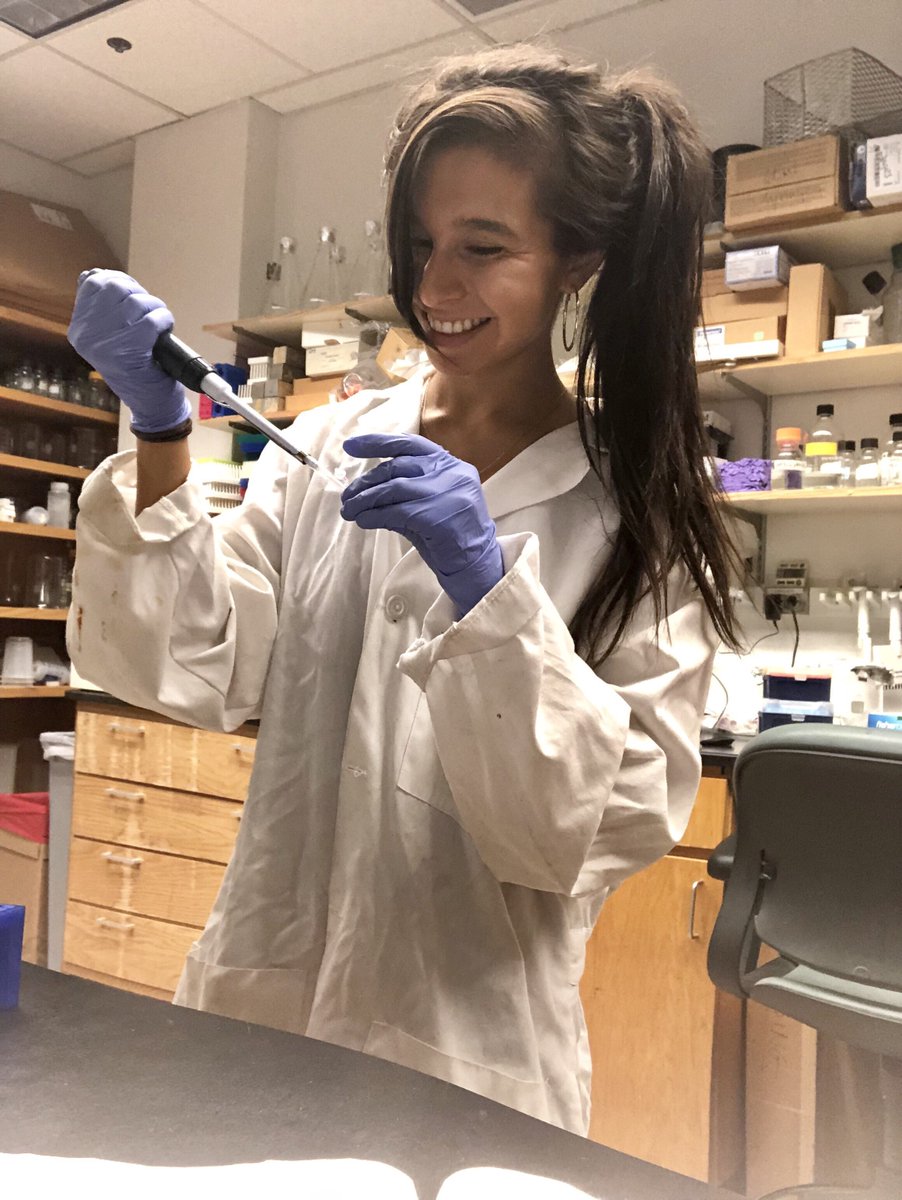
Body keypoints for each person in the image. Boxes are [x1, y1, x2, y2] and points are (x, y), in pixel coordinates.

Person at [66, 44, 741, 1135]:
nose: (434, 289)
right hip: (257, 1009)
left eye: (484, 248)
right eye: (421, 245)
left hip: (463, 1065)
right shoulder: (329, 448)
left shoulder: (627, 514)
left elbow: (591, 833)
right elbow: (192, 664)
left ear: (575, 261)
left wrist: (487, 597)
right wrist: (156, 431)